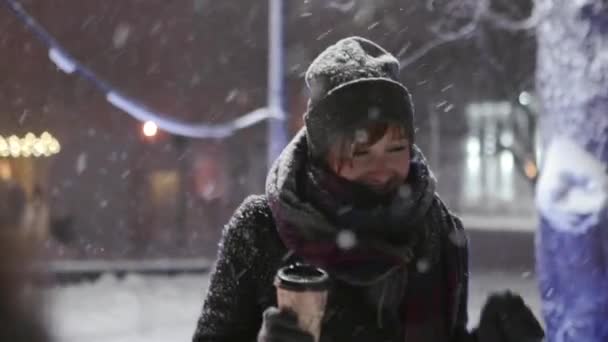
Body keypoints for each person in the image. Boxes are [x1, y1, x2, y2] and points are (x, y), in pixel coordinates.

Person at [192, 37, 543, 342]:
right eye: (361, 151)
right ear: (321, 153)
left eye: (396, 148)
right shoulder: (260, 230)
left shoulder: (437, 229)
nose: (382, 168)